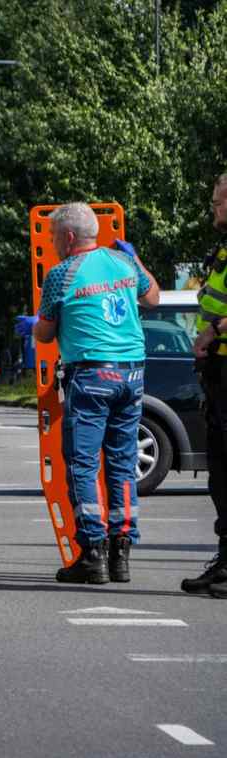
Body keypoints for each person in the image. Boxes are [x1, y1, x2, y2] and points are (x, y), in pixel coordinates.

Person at [34, 202, 159, 584]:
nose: (53, 243)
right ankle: (122, 552)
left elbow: (46, 333)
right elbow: (152, 298)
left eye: (55, 236)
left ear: (69, 237)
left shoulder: (61, 274)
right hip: (132, 374)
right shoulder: (123, 263)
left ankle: (92, 554)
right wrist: (137, 262)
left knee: (84, 464)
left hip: (91, 375)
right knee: (122, 464)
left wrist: (33, 326)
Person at [184, 174, 227, 598]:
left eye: (217, 202)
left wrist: (214, 330)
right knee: (220, 473)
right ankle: (224, 560)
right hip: (217, 371)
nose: (213, 208)